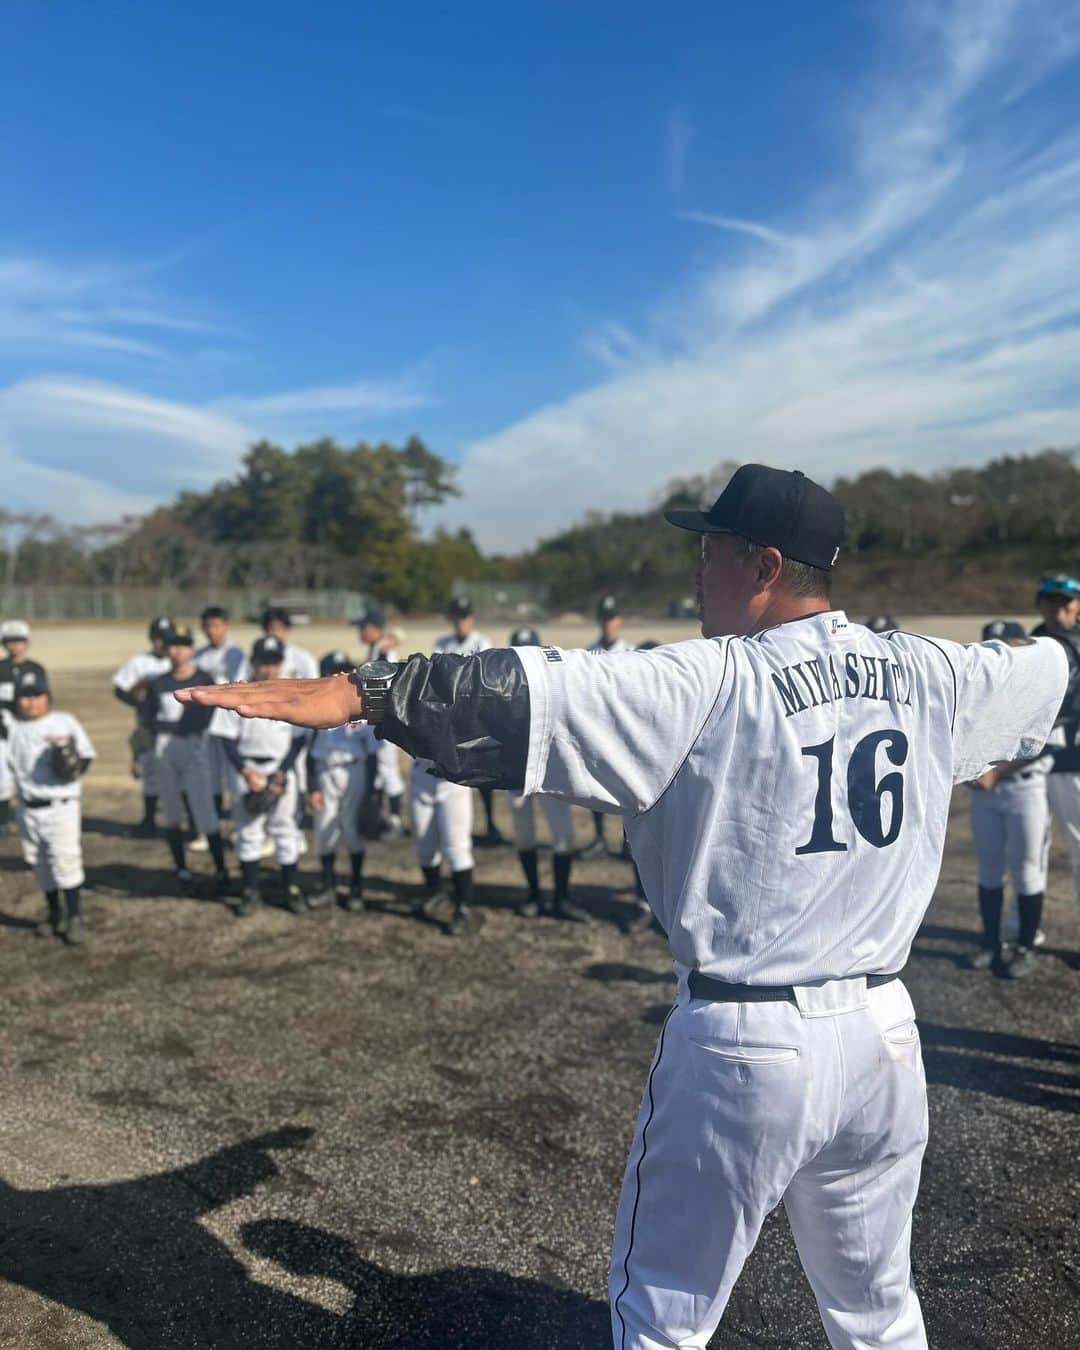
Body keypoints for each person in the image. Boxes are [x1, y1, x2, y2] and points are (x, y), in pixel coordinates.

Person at [181, 461, 1068, 1350]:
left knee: (661, 1317)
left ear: (763, 566)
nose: (696, 571)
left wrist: (366, 692)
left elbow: (520, 690)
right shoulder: (934, 670)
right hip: (887, 1039)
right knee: (877, 1312)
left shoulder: (709, 680)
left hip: (746, 1045)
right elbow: (1048, 668)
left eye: (712, 551)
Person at [965, 622, 1050, 978]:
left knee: (1027, 868)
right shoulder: (979, 690)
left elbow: (1050, 739)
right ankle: (990, 942)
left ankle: (1025, 946)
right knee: (988, 869)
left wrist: (995, 772)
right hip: (984, 793)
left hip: (1024, 788)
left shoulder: (1040, 687)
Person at [211, 636, 310, 916]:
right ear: (253, 662)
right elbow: (226, 737)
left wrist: (283, 770)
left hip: (279, 766)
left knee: (285, 830)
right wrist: (245, 770)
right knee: (248, 831)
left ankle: (291, 889)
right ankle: (250, 890)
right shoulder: (238, 693)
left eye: (273, 662)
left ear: (281, 664)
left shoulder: (292, 695)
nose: (268, 669)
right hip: (246, 769)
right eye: (263, 662)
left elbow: (300, 738)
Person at [1, 666, 94, 945]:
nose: (32, 702)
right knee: (39, 864)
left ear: (48, 696)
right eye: (25, 696)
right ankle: (55, 914)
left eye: (37, 695)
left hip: (61, 807)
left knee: (65, 861)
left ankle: (74, 916)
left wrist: (73, 766)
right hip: (27, 808)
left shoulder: (64, 722)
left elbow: (87, 755)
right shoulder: (12, 728)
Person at [506, 627, 589, 923]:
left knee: (564, 835)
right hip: (516, 773)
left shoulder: (554, 687)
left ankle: (562, 898)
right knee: (524, 835)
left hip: (550, 769)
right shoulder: (501, 689)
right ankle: (533, 894)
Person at [142, 625, 231, 896]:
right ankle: (181, 868)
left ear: (192, 649)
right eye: (172, 645)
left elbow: (212, 717)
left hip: (195, 747)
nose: (177, 651)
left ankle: (220, 869)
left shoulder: (204, 679)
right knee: (171, 813)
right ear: (165, 649)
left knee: (205, 812)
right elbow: (147, 720)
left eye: (183, 645)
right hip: (164, 749)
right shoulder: (159, 683)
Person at [307, 652, 380, 912]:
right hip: (326, 771)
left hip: (354, 771)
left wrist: (371, 793)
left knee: (352, 829)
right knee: (324, 828)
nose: (338, 677)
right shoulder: (314, 708)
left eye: (344, 672)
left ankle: (356, 888)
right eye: (333, 672)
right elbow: (310, 754)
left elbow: (373, 756)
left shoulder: (365, 709)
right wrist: (313, 785)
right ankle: (328, 887)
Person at [436, 595, 503, 847]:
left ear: (471, 619)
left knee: (484, 772)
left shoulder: (482, 642)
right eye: (457, 617)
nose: (461, 622)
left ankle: (490, 822)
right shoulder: (442, 643)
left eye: (464, 617)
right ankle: (466, 825)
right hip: (454, 716)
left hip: (478, 714)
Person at [1030, 572, 1080, 902]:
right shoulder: (1029, 642)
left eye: (1065, 603)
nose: (1057, 610)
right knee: (1030, 851)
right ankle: (1024, 932)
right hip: (1029, 761)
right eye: (1051, 602)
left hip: (1071, 760)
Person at [580, 596, 633, 860]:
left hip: (623, 731)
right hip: (599, 729)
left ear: (619, 621)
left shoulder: (631, 651)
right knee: (596, 786)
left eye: (611, 618)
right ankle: (600, 836)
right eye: (604, 618)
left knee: (626, 787)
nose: (608, 624)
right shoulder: (590, 651)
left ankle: (627, 839)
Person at [112, 616, 172, 836]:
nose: (161, 643)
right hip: (147, 725)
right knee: (149, 772)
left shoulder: (178, 660)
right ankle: (149, 821)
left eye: (165, 639)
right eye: (157, 638)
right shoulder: (140, 662)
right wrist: (139, 704)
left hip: (175, 726)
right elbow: (119, 688)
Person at [354, 609, 407, 837]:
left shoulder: (385, 649)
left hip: (384, 717)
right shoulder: (376, 647)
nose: (359, 631)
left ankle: (395, 822)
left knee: (388, 770)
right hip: (376, 718)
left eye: (362, 627)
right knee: (379, 771)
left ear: (373, 628)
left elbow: (390, 679)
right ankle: (379, 817)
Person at [195, 605, 247, 827]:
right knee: (210, 777)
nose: (212, 631)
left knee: (233, 776)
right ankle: (212, 826)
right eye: (208, 626)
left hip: (231, 723)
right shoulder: (198, 656)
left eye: (216, 625)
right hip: (205, 723)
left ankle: (240, 823)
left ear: (225, 626)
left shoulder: (237, 654)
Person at [0, 620, 48, 838]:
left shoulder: (35, 669)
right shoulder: (1, 669)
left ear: (26, 643)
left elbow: (45, 699)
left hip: (28, 728)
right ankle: (3, 820)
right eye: (10, 641)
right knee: (2, 777)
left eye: (19, 641)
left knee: (29, 771)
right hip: (2, 730)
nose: (14, 646)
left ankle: (31, 815)